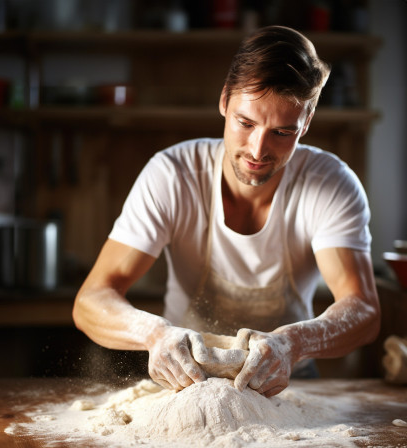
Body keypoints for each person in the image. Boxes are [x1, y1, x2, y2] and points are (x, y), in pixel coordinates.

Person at [73, 25, 380, 397]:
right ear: (224, 101)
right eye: (245, 123)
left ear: (307, 121)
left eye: (282, 133)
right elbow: (92, 299)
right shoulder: (173, 174)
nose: (257, 149)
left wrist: (292, 344)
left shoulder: (331, 184)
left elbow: (362, 309)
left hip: (287, 385)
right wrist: (156, 334)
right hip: (185, 380)